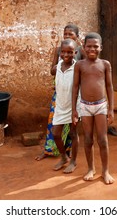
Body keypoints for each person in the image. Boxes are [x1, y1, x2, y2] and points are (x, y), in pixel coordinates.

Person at [35, 24, 83, 161]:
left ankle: (70, 153)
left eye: (71, 34)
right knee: (53, 125)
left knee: (72, 129)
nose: (67, 36)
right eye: (65, 34)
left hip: (74, 95)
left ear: (77, 37)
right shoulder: (58, 50)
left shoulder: (80, 51)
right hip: (60, 94)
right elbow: (52, 70)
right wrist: (61, 67)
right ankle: (50, 150)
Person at [72, 32, 115, 185]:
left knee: (103, 140)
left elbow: (109, 86)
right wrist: (74, 110)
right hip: (85, 106)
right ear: (83, 47)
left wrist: (111, 109)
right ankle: (91, 168)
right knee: (88, 139)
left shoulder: (105, 64)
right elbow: (75, 87)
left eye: (95, 46)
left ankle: (105, 171)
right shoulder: (79, 65)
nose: (92, 49)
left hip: (101, 106)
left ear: (101, 48)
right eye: (89, 46)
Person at [52, 39, 80, 173]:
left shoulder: (77, 67)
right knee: (55, 133)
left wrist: (76, 109)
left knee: (73, 134)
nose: (66, 54)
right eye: (63, 52)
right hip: (60, 105)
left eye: (70, 52)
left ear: (75, 52)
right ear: (60, 53)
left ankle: (73, 161)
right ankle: (64, 157)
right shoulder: (58, 66)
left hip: (73, 106)